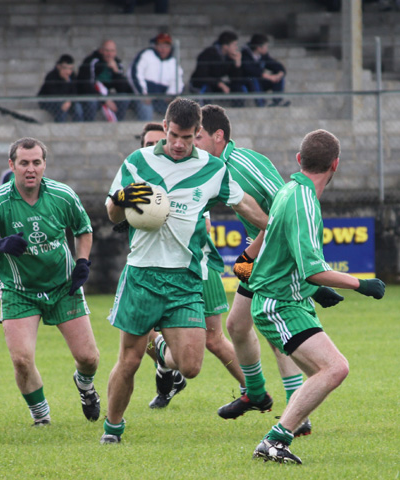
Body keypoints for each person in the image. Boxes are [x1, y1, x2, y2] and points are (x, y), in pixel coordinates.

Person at [102, 97, 268, 443]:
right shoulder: (137, 162)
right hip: (143, 275)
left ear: (198, 134)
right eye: (174, 135)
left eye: (188, 137)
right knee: (130, 359)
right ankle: (113, 427)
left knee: (191, 365)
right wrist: (120, 200)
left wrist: (275, 226)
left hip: (185, 279)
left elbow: (247, 207)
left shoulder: (212, 168)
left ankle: (162, 348)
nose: (179, 144)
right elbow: (112, 213)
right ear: (164, 127)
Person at [249, 129, 385, 464]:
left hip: (288, 299)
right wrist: (361, 284)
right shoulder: (304, 201)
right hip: (278, 303)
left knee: (323, 372)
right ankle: (274, 440)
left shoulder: (289, 190)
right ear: (335, 164)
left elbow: (281, 253)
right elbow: (312, 268)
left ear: (299, 159)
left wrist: (314, 290)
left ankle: (278, 439)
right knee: (335, 368)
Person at [194, 104, 313, 437]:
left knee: (275, 332)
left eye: (198, 136)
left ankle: (296, 409)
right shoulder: (214, 167)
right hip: (260, 253)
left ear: (218, 136)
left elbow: (285, 211)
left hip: (277, 256)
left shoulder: (243, 163)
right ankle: (257, 393)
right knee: (237, 325)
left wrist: (297, 261)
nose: (193, 142)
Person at [0, 137, 100, 427]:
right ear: (12, 165)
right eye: (24, 163)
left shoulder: (62, 195)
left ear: (44, 165)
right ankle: (41, 416)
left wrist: (82, 262)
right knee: (22, 360)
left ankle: (85, 386)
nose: (30, 169)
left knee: (89, 358)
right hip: (19, 291)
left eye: (36, 162)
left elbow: (83, 229)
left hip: (64, 287)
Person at [128, 33, 184, 121]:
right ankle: (147, 133)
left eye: (166, 46)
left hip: (162, 98)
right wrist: (143, 95)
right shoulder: (146, 55)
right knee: (146, 109)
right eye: (160, 45)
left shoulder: (173, 62)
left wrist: (170, 95)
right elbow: (135, 74)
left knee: (178, 110)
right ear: (155, 45)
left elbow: (178, 81)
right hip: (145, 96)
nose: (163, 49)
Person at [77, 40, 133, 121]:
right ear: (101, 51)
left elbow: (124, 88)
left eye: (112, 51)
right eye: (107, 51)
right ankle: (89, 126)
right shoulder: (92, 61)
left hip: (109, 96)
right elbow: (86, 86)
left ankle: (117, 125)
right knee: (91, 102)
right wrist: (104, 100)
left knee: (124, 98)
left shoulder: (117, 63)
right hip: (94, 95)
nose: (109, 54)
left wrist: (116, 71)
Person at [190, 31, 246, 105]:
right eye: (234, 45)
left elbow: (236, 79)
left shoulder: (229, 57)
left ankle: (239, 109)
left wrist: (237, 64)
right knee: (207, 88)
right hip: (202, 83)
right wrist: (219, 84)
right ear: (225, 46)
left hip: (216, 83)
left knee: (239, 88)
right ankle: (205, 111)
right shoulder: (208, 54)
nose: (236, 47)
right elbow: (202, 76)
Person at [241, 34, 290, 107]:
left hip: (261, 82)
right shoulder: (245, 55)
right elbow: (250, 70)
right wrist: (268, 76)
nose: (267, 49)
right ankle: (261, 103)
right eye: (265, 46)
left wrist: (280, 73)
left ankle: (278, 101)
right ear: (258, 47)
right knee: (253, 79)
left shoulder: (263, 55)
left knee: (279, 78)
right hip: (248, 83)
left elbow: (274, 64)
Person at [37, 54, 83, 122]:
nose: (68, 71)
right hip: (49, 101)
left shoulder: (72, 76)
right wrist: (66, 83)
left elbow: (74, 92)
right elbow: (54, 94)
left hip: (67, 101)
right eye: (65, 68)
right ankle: (60, 128)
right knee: (62, 107)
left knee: (78, 107)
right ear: (58, 67)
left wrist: (69, 101)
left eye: (70, 69)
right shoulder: (51, 76)